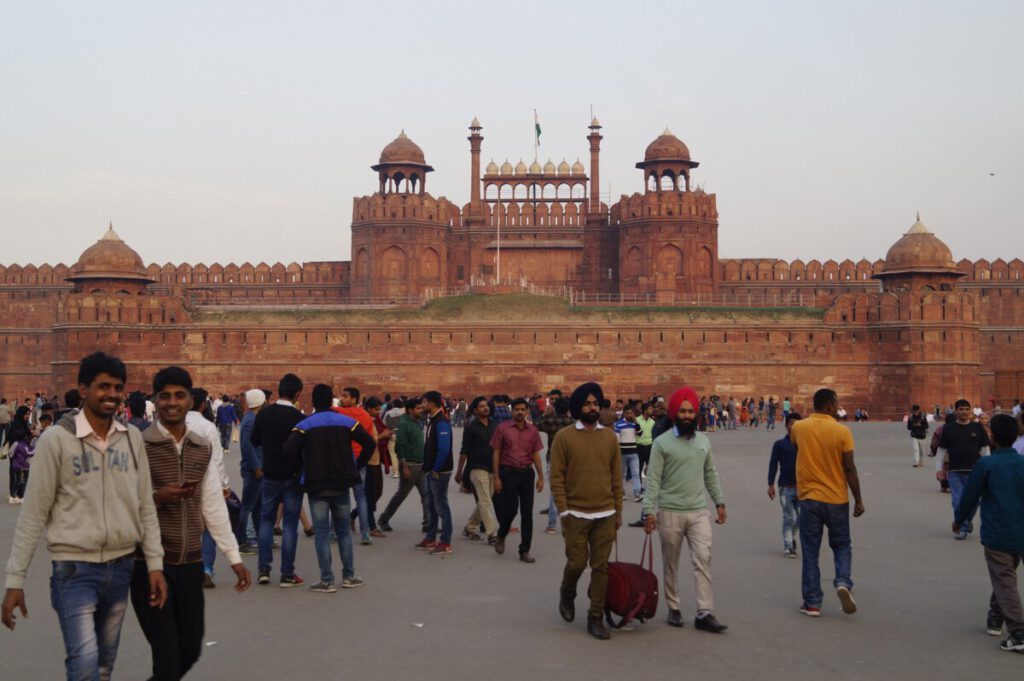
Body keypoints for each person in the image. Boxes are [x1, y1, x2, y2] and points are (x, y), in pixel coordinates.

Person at [2, 352, 167, 681]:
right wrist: (15, 580)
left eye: (117, 387)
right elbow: (33, 513)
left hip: (120, 568)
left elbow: (144, 505)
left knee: (103, 666)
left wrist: (155, 564)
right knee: (85, 667)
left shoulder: (131, 438)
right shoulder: (56, 441)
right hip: (74, 571)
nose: (112, 394)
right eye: (103, 386)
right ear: (83, 389)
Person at [132, 366, 250, 680]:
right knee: (167, 657)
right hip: (149, 565)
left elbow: (212, 502)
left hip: (190, 564)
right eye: (165, 396)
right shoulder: (139, 445)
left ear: (191, 400)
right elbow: (122, 501)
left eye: (179, 395)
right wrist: (158, 497)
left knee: (191, 649)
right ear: (155, 401)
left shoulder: (201, 446)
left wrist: (233, 556)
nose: (172, 402)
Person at [643, 386, 728, 633]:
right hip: (670, 511)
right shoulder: (661, 443)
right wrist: (649, 510)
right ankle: (674, 607)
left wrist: (719, 502)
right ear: (674, 413)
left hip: (698, 511)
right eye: (683, 411)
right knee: (671, 563)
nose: (688, 415)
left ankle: (704, 611)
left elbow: (710, 473)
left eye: (691, 411)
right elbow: (653, 479)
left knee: (703, 559)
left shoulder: (704, 441)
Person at [283, 384, 375, 592]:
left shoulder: (306, 424)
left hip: (317, 485)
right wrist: (356, 466)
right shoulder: (346, 422)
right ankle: (349, 576)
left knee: (323, 534)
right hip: (341, 484)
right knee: (343, 532)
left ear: (314, 402)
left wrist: (301, 468)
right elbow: (369, 443)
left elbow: (288, 449)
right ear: (333, 400)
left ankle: (327, 580)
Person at [550, 382, 622, 640]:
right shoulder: (564, 437)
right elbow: (556, 477)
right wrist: (564, 512)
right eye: (587, 403)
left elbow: (616, 476)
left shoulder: (609, 437)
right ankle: (567, 592)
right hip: (576, 514)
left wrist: (618, 511)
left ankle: (595, 617)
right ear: (578, 407)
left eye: (595, 403)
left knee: (600, 566)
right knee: (577, 563)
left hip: (605, 512)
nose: (592, 408)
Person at [790, 388, 864, 618]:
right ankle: (843, 581)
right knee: (841, 545)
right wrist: (858, 500)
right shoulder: (842, 431)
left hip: (809, 498)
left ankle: (812, 603)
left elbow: (797, 451)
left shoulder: (798, 428)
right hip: (836, 499)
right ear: (830, 407)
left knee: (810, 551)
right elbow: (849, 468)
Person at [953, 413, 1024, 652]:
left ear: (992, 436)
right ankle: (996, 618)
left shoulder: (986, 464)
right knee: (1004, 576)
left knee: (1004, 579)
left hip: (998, 532)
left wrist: (960, 520)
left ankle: (1018, 632)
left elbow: (970, 496)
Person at [252, 373, 306, 587]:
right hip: (292, 477)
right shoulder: (299, 419)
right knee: (290, 525)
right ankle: (287, 573)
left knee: (266, 520)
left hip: (270, 474)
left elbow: (254, 440)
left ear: (278, 390)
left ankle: (264, 570)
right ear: (297, 394)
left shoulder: (264, 414)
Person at [491, 397, 545, 563]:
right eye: (517, 409)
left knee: (527, 514)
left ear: (527, 411)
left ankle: (524, 550)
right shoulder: (502, 428)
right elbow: (496, 453)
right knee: (511, 510)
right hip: (508, 473)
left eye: (523, 409)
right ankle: (501, 534)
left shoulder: (532, 431)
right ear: (511, 411)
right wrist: (496, 477)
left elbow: (536, 455)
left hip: (527, 474)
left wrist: (541, 476)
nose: (520, 412)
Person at [186, 389, 230, 589]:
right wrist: (223, 485)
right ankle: (206, 569)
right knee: (208, 529)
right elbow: (216, 460)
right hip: (204, 483)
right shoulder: (208, 427)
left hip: (177, 483)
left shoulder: (171, 425)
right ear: (203, 405)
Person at [939, 399, 990, 540]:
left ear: (970, 410)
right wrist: (939, 469)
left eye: (966, 409)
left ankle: (966, 520)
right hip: (954, 470)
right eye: (961, 409)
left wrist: (988, 467)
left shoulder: (977, 427)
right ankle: (962, 528)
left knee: (975, 500)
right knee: (957, 501)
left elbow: (985, 448)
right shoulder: (949, 428)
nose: (964, 412)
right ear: (955, 411)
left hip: (975, 471)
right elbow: (942, 450)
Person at [377, 398, 428, 533]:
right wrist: (404, 466)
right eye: (418, 408)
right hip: (410, 466)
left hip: (420, 464)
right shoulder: (404, 424)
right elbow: (400, 447)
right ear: (410, 410)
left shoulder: (415, 422)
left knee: (426, 494)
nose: (421, 410)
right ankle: (383, 519)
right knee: (401, 495)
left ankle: (428, 522)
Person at [334, 387, 376, 545]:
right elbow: (370, 440)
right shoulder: (366, 416)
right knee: (361, 497)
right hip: (360, 461)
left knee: (339, 497)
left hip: (344, 460)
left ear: (354, 399)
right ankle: (365, 532)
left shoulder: (339, 412)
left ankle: (334, 531)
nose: (342, 399)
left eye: (345, 396)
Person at [454, 396, 498, 542]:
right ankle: (492, 534)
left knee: (485, 501)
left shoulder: (495, 425)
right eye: (481, 406)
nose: (485, 408)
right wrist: (459, 471)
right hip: (477, 467)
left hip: (493, 467)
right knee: (485, 500)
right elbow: (464, 450)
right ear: (475, 410)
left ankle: (470, 527)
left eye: (486, 405)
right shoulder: (471, 427)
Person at [416, 391, 454, 555]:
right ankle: (431, 538)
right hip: (432, 470)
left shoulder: (441, 422)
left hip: (439, 471)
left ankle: (445, 541)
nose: (422, 406)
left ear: (431, 403)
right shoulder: (434, 420)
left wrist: (436, 469)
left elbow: (444, 449)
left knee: (441, 506)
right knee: (431, 505)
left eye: (424, 402)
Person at [538, 397, 575, 534]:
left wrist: (547, 413)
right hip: (571, 459)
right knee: (570, 491)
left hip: (554, 458)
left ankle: (552, 524)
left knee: (555, 491)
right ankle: (567, 525)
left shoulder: (550, 421)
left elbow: (537, 424)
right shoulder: (573, 423)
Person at [236, 389, 266, 554]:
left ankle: (261, 537)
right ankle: (242, 540)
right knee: (248, 505)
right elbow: (248, 446)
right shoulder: (251, 420)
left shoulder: (252, 418)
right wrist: (256, 466)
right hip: (254, 469)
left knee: (257, 506)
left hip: (257, 467)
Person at [768, 413, 802, 557]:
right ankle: (788, 546)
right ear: (786, 425)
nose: (794, 426)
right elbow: (773, 465)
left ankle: (790, 536)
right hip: (785, 487)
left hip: (803, 487)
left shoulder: (805, 444)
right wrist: (770, 484)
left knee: (801, 518)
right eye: (791, 423)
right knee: (789, 517)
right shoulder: (780, 444)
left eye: (797, 424)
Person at [614, 405, 642, 502]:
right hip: (622, 452)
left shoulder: (634, 423)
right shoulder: (618, 424)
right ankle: (622, 493)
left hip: (634, 452)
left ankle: (637, 493)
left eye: (631, 413)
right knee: (622, 474)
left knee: (635, 473)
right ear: (624, 414)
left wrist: (636, 422)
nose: (629, 415)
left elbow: (640, 433)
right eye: (627, 413)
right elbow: (616, 439)